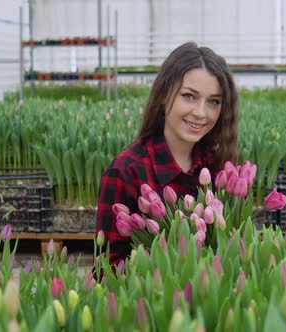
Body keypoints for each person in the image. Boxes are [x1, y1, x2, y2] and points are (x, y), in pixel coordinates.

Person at [95, 42, 239, 265]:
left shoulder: (218, 171)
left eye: (213, 101)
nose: (201, 113)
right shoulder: (126, 172)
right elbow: (106, 269)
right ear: (163, 94)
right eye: (189, 96)